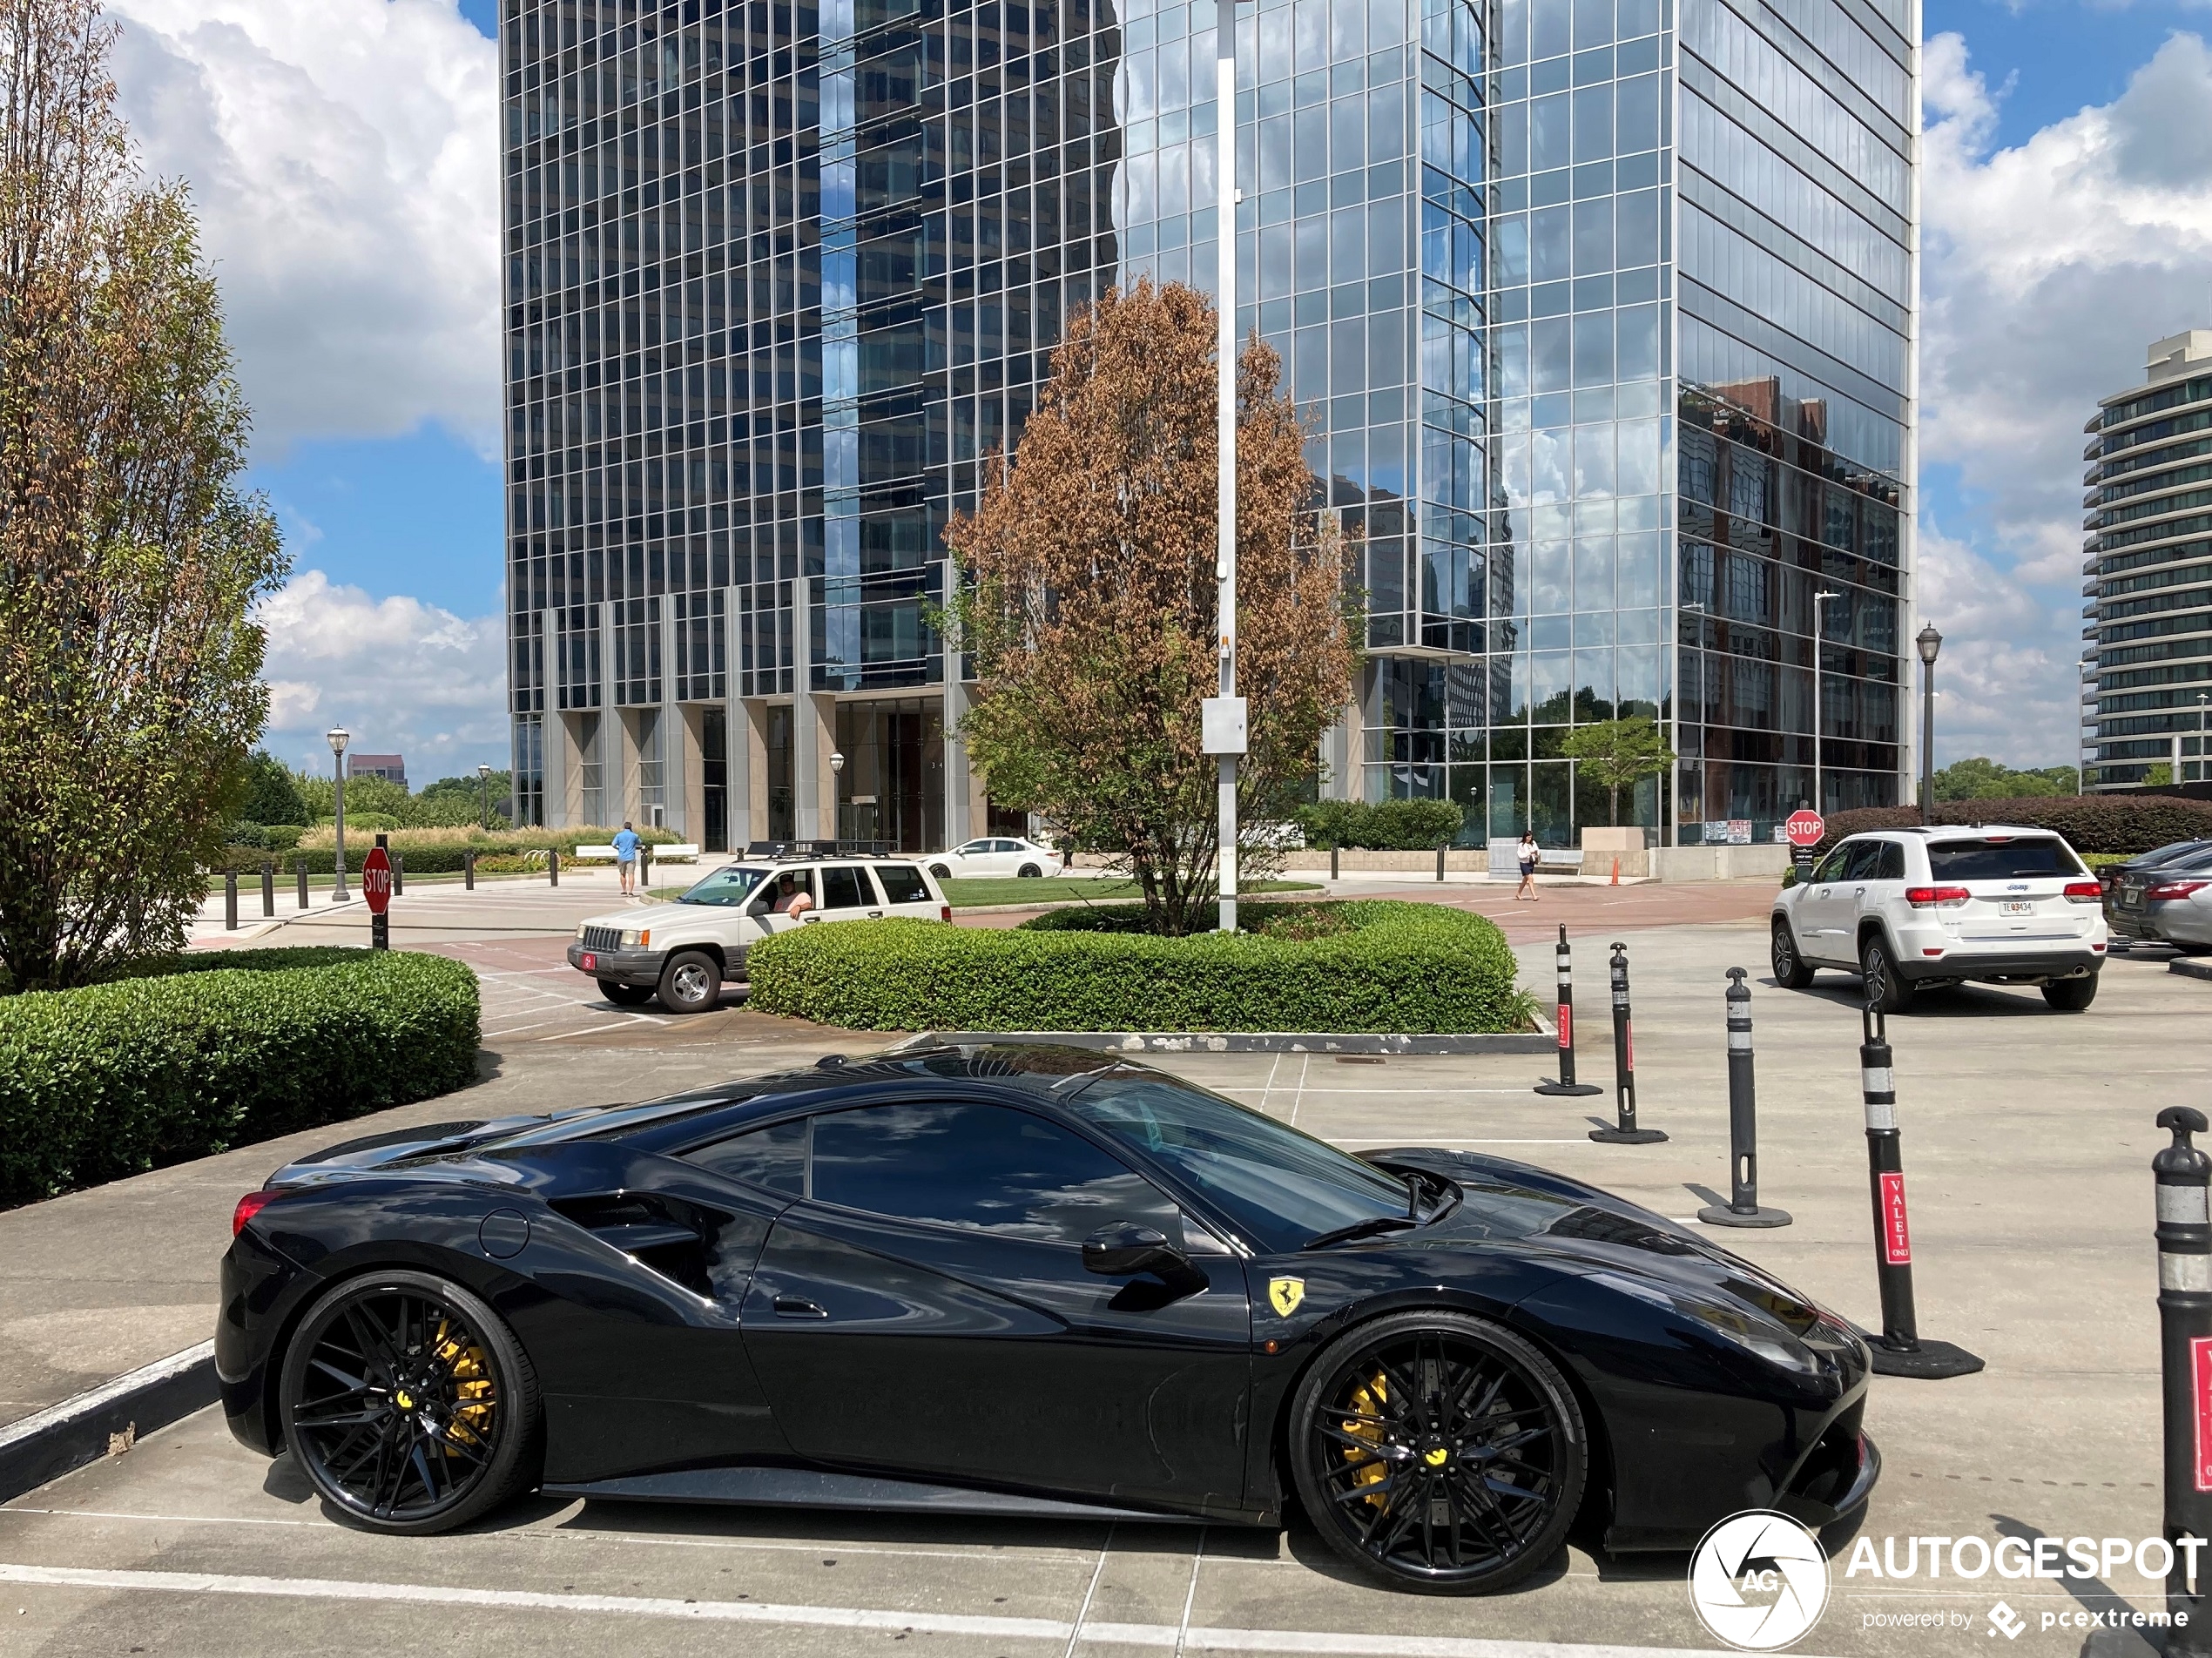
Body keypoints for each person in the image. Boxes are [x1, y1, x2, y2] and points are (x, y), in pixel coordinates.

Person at [612, 820, 642, 898]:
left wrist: (618, 849)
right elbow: (639, 842)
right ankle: (630, 891)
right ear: (631, 827)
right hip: (631, 857)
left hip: (622, 857)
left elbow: (613, 844)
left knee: (622, 874)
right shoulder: (634, 835)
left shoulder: (619, 835)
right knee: (631, 874)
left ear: (624, 827)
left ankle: (624, 890)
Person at [1515, 830, 1541, 902]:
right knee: (1530, 878)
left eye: (1530, 837)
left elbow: (1537, 851)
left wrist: (1536, 854)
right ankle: (1534, 896)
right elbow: (1520, 855)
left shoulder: (1533, 843)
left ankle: (1518, 893)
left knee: (1525, 880)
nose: (1529, 839)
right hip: (1524, 863)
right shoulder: (1521, 845)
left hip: (1531, 862)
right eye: (1528, 837)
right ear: (1525, 837)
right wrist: (1529, 853)